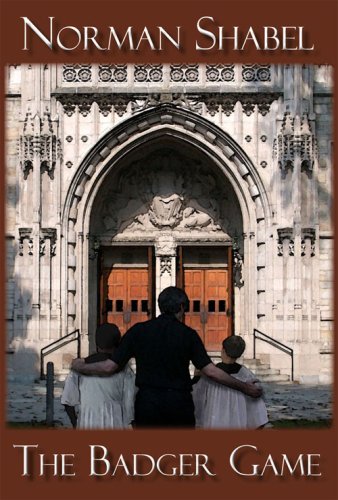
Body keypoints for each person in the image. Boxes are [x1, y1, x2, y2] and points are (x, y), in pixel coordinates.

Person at [71, 287, 262, 428]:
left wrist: (80, 366)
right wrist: (245, 387)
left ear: (160, 306)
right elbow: (211, 371)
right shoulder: (188, 334)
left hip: (148, 404)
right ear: (181, 307)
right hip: (179, 405)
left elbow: (108, 367)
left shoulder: (138, 331)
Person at [62, 323, 136, 429]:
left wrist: (75, 424)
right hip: (115, 424)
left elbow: (67, 401)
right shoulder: (124, 370)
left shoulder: (79, 369)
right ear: (117, 345)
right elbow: (130, 403)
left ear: (97, 345)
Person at [193, 335, 268, 429]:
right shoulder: (247, 376)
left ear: (223, 350)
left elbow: (197, 400)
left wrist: (196, 378)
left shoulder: (210, 376)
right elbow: (258, 414)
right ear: (240, 354)